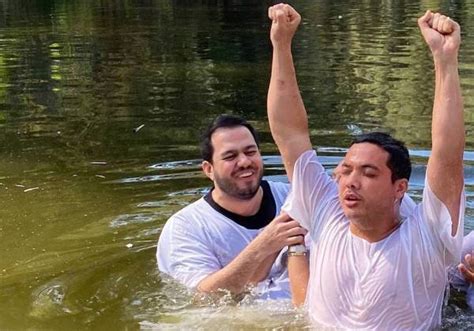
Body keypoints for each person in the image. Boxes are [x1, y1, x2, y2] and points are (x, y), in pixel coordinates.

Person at [268, 3, 465, 330]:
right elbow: (290, 134)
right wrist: (281, 44)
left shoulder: (427, 236)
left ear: (399, 187)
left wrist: (445, 61)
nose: (350, 182)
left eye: (368, 173)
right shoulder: (325, 212)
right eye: (346, 170)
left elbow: (447, 154)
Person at [156, 114, 307, 299]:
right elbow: (203, 298)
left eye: (250, 152)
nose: (244, 162)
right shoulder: (185, 227)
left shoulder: (293, 197)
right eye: (230, 156)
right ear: (208, 169)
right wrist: (264, 245)